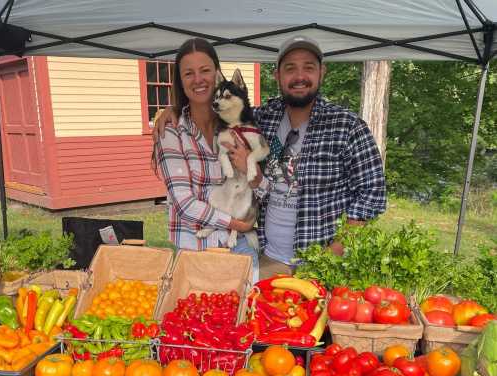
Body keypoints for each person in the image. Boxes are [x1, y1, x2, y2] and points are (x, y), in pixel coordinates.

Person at [155, 36, 387, 280]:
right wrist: (173, 110)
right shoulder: (264, 117)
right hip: (267, 259)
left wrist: (333, 256)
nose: (299, 76)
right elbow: (225, 107)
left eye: (308, 67)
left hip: (321, 264)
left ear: (322, 72)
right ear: (277, 75)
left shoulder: (348, 127)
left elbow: (372, 195)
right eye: (290, 68)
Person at [152, 38, 260, 282]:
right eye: (188, 73)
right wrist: (236, 223)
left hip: (241, 247)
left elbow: (261, 183)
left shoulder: (239, 124)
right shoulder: (171, 131)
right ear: (180, 81)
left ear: (217, 74)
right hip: (196, 253)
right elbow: (183, 202)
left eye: (205, 70)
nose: (198, 79)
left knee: (248, 315)